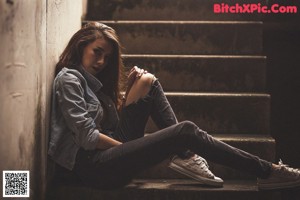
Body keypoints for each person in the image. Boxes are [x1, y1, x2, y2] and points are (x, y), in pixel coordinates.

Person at [48, 22, 300, 190]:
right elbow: (87, 137)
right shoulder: (69, 79)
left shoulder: (94, 84)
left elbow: (111, 127)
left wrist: (124, 101)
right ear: (81, 47)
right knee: (185, 131)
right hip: (92, 168)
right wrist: (130, 149)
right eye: (97, 52)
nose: (102, 61)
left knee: (148, 81)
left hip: (109, 157)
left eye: (108, 57)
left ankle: (186, 156)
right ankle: (267, 171)